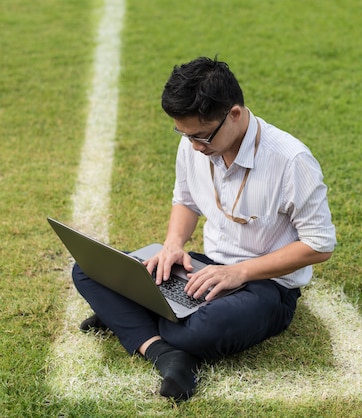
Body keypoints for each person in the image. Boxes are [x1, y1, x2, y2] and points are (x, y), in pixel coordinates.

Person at [72, 56, 336, 401]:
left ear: (235, 115)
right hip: (203, 267)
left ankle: (135, 317)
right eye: (184, 134)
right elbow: (185, 199)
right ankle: (163, 350)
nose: (195, 146)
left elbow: (319, 245)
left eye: (201, 136)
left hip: (266, 286)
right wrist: (173, 244)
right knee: (90, 269)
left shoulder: (291, 161)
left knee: (200, 330)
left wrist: (239, 272)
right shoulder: (194, 143)